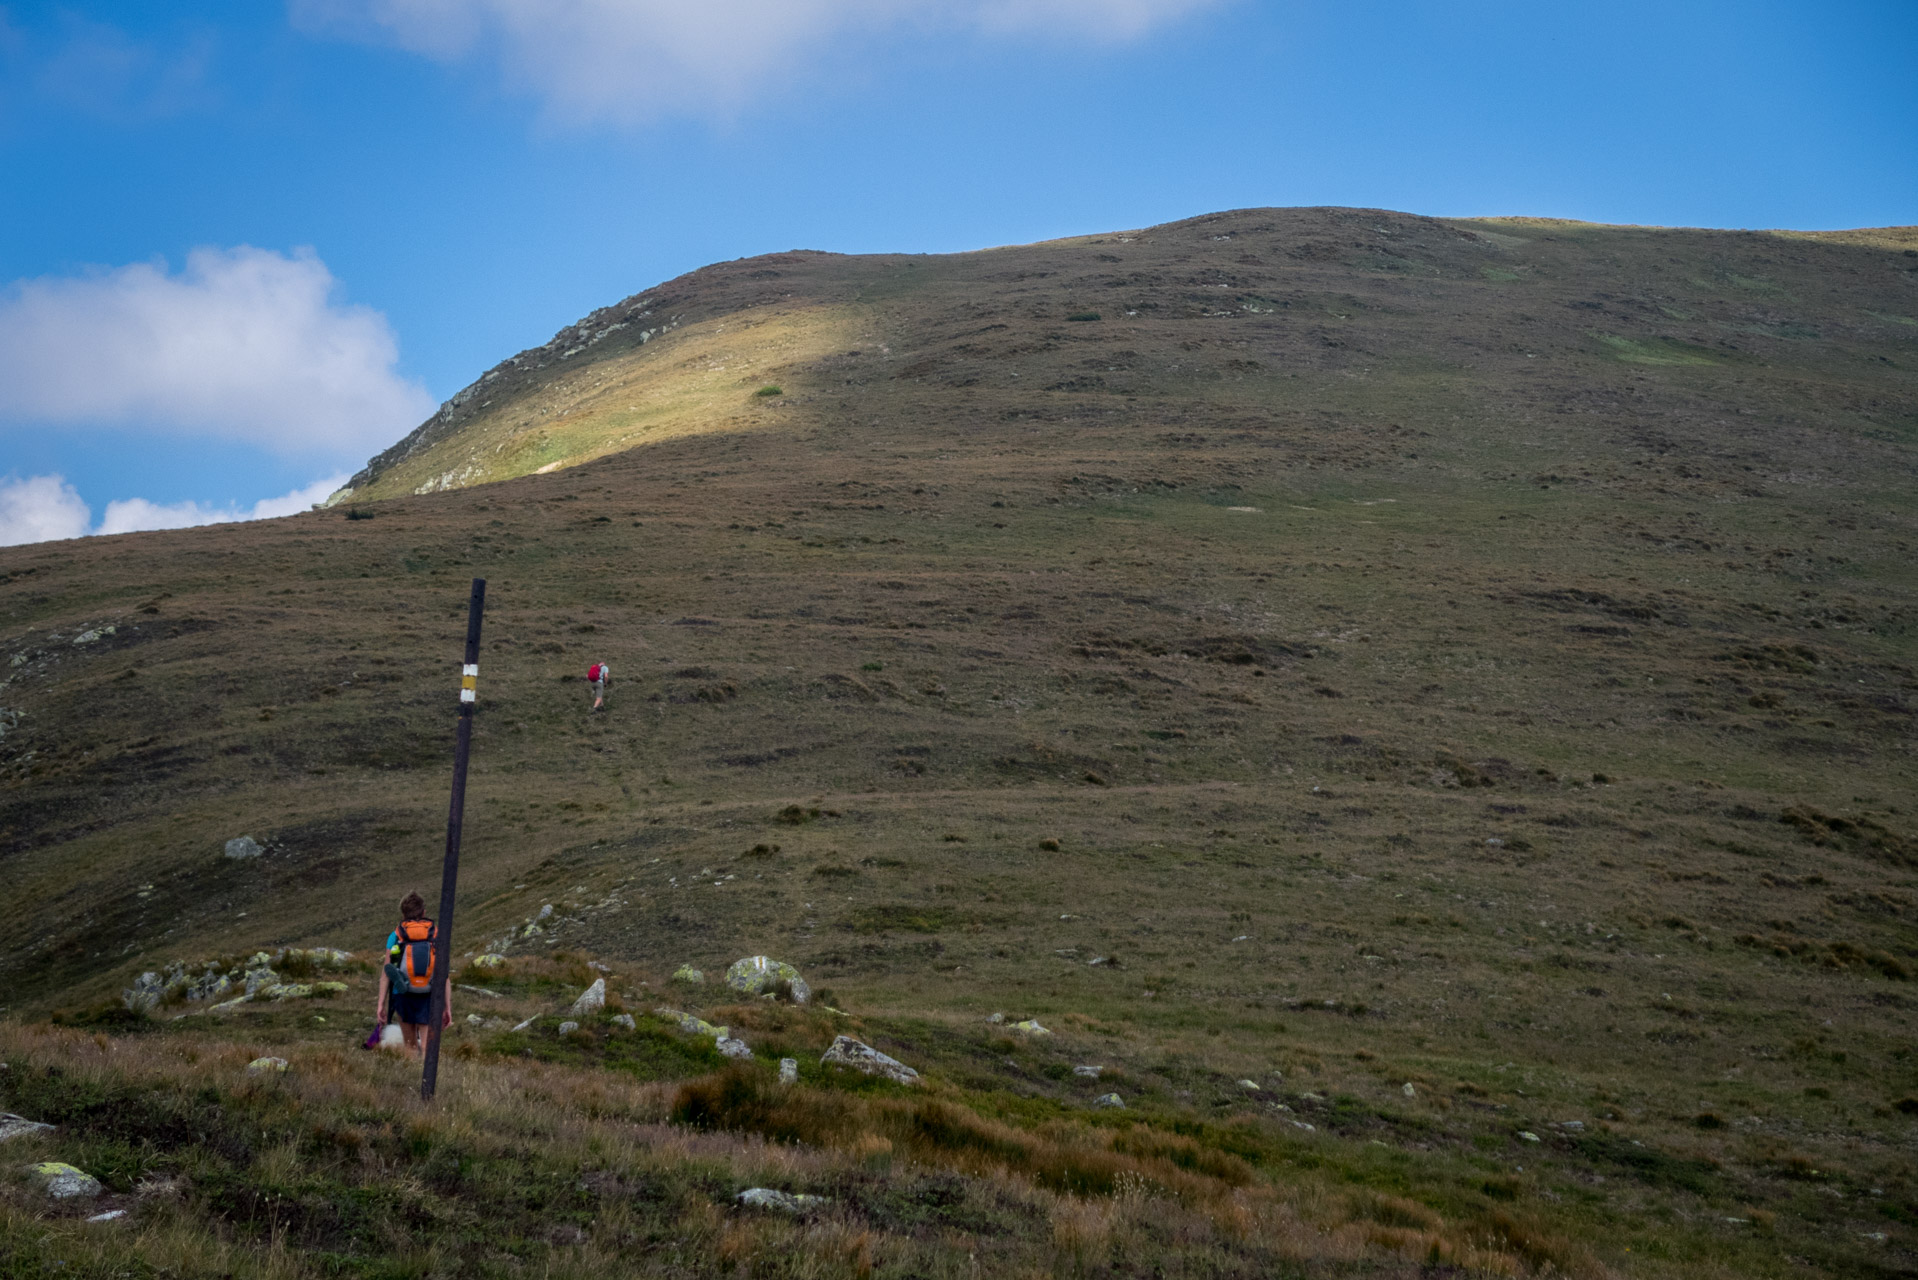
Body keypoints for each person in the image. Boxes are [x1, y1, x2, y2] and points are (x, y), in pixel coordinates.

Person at [375, 891, 449, 1059]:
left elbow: (387, 972)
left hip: (402, 993)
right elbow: (444, 975)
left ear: (403, 914)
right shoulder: (435, 934)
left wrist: (381, 1004)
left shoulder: (396, 936)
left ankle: (412, 1079)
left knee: (410, 1046)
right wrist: (447, 1007)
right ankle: (427, 1082)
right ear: (424, 912)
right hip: (429, 994)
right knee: (427, 1045)